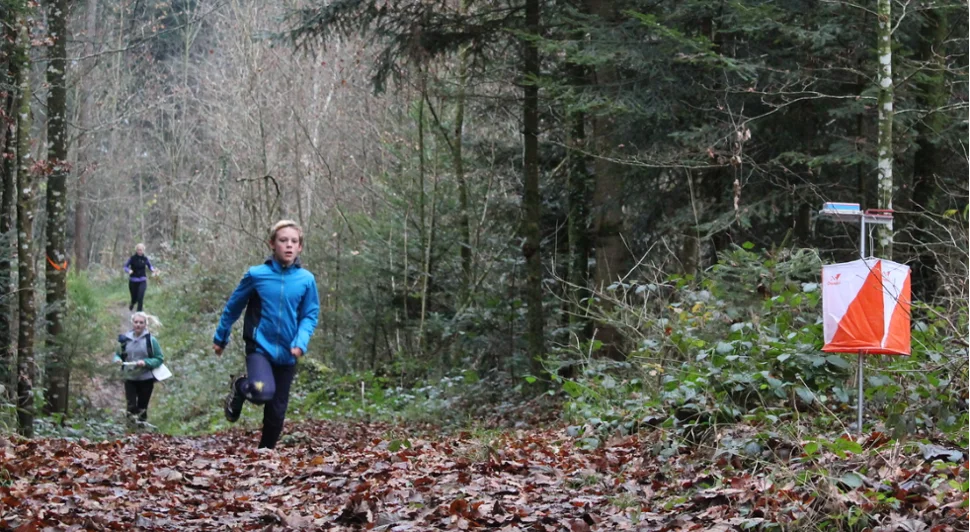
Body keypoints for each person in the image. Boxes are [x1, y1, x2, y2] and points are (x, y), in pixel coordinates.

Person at [213, 220, 320, 449]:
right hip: (259, 348)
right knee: (262, 393)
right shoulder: (256, 275)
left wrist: (301, 343)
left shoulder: (306, 280)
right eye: (283, 240)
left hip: (289, 351)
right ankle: (240, 385)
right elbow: (233, 307)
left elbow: (310, 315)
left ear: (300, 247)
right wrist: (220, 337)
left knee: (277, 411)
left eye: (294, 241)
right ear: (272, 244)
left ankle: (264, 456)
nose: (289, 245)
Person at [115, 312, 165, 428]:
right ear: (132, 323)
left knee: (142, 408)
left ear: (145, 325)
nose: (138, 325)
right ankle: (130, 431)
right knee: (131, 406)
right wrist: (117, 360)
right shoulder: (124, 339)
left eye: (141, 322)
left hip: (146, 379)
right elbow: (117, 354)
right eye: (136, 322)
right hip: (129, 378)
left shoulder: (151, 341)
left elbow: (159, 359)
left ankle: (141, 434)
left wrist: (145, 362)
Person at [123, 243, 158, 311]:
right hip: (133, 280)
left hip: (142, 280)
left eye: (141, 250)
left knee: (140, 297)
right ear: (136, 250)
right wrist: (129, 270)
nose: (140, 251)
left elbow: (150, 266)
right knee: (134, 297)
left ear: (143, 250)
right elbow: (125, 267)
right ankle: (132, 303)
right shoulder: (132, 258)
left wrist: (153, 270)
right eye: (138, 250)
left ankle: (139, 313)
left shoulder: (145, 259)